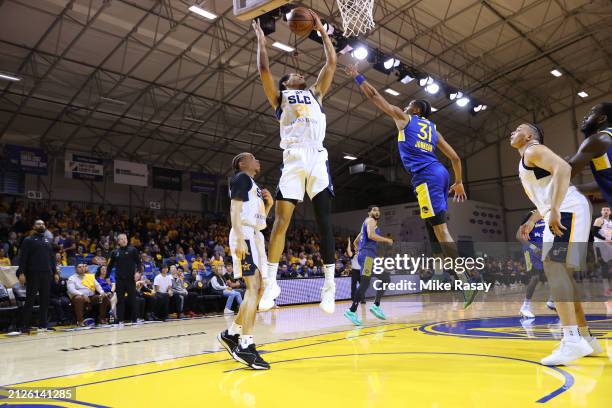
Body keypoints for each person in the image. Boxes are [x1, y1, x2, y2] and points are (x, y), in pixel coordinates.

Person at [344, 64, 476, 308]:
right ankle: (449, 274)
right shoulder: (433, 130)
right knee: (433, 234)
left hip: (427, 178)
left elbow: (375, 97)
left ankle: (465, 279)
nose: (404, 107)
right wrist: (457, 181)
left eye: (409, 105)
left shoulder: (406, 119)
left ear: (416, 109)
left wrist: (358, 77)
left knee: (441, 231)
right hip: (440, 173)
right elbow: (456, 158)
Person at [253, 11, 338, 314]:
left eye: (301, 75)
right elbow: (263, 68)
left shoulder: (315, 94)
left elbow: (331, 63)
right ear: (287, 83)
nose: (300, 74)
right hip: (293, 158)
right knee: (281, 223)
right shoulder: (280, 99)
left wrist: (321, 31)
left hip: (316, 156)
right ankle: (271, 284)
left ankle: (329, 286)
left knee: (324, 223)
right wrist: (261, 40)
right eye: (293, 75)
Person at [511, 122, 602, 365]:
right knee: (562, 273)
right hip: (568, 207)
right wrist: (532, 219)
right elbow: (548, 191)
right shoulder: (528, 159)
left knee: (553, 266)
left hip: (567, 208)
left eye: (518, 129)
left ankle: (571, 340)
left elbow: (563, 168)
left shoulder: (532, 150)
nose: (513, 132)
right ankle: (586, 338)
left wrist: (554, 211)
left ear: (529, 135)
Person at [217, 152, 273, 370]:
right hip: (245, 236)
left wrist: (268, 206)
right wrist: (239, 238)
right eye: (252, 157)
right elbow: (235, 209)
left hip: (255, 235)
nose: (257, 159)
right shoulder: (241, 178)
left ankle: (231, 334)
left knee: (258, 290)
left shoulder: (254, 185)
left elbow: (260, 222)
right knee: (252, 289)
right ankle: (245, 344)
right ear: (242, 163)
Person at [344, 206, 393, 325]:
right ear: (369, 212)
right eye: (374, 210)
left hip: (368, 256)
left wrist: (360, 250)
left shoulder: (366, 224)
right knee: (384, 279)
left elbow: (356, 242)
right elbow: (371, 236)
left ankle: (356, 309)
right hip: (368, 257)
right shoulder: (370, 221)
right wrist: (386, 240)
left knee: (370, 282)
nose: (376, 212)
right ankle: (365, 308)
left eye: (378, 210)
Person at [16, 219, 56, 334]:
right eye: (39, 224)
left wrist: (55, 272)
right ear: (34, 226)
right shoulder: (28, 240)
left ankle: (43, 325)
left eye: (43, 224)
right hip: (33, 274)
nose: (41, 225)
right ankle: (24, 325)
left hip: (47, 274)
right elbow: (23, 258)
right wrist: (21, 273)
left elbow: (51, 258)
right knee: (30, 300)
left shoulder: (48, 240)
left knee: (45, 300)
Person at [567, 103, 612, 201]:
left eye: (592, 113)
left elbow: (566, 173)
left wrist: (554, 162)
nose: (585, 117)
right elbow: (605, 182)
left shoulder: (598, 140)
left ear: (602, 119)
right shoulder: (605, 143)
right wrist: (573, 189)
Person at [516, 210, 555, 318]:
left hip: (544, 248)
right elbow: (519, 236)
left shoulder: (550, 215)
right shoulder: (530, 214)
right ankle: (525, 307)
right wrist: (534, 248)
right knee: (535, 277)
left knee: (555, 273)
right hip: (531, 248)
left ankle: (552, 301)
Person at [107, 233, 140, 324]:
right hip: (120, 280)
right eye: (122, 239)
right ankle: (120, 319)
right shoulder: (114, 252)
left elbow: (139, 263)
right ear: (118, 241)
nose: (124, 240)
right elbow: (109, 266)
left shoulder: (133, 250)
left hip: (130, 280)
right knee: (120, 300)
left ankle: (135, 319)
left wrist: (138, 272)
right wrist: (107, 277)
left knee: (133, 299)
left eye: (125, 238)